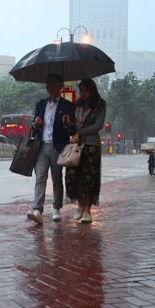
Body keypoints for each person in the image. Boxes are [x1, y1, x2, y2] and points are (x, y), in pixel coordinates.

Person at [26, 73, 77, 224]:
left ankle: (57, 208)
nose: (50, 87)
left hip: (57, 146)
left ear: (60, 86)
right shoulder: (40, 104)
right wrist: (36, 124)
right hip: (42, 146)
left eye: (54, 84)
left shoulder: (68, 106)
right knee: (40, 177)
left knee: (56, 178)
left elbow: (72, 131)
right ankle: (37, 209)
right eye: (48, 84)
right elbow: (34, 129)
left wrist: (67, 123)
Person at [64, 78, 106, 223]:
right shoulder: (75, 105)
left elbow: (98, 125)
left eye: (85, 90)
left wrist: (81, 132)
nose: (82, 93)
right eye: (80, 90)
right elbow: (71, 125)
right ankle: (80, 205)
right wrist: (69, 123)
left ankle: (88, 209)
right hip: (75, 145)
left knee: (89, 177)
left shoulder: (100, 105)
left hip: (91, 145)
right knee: (72, 176)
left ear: (92, 90)